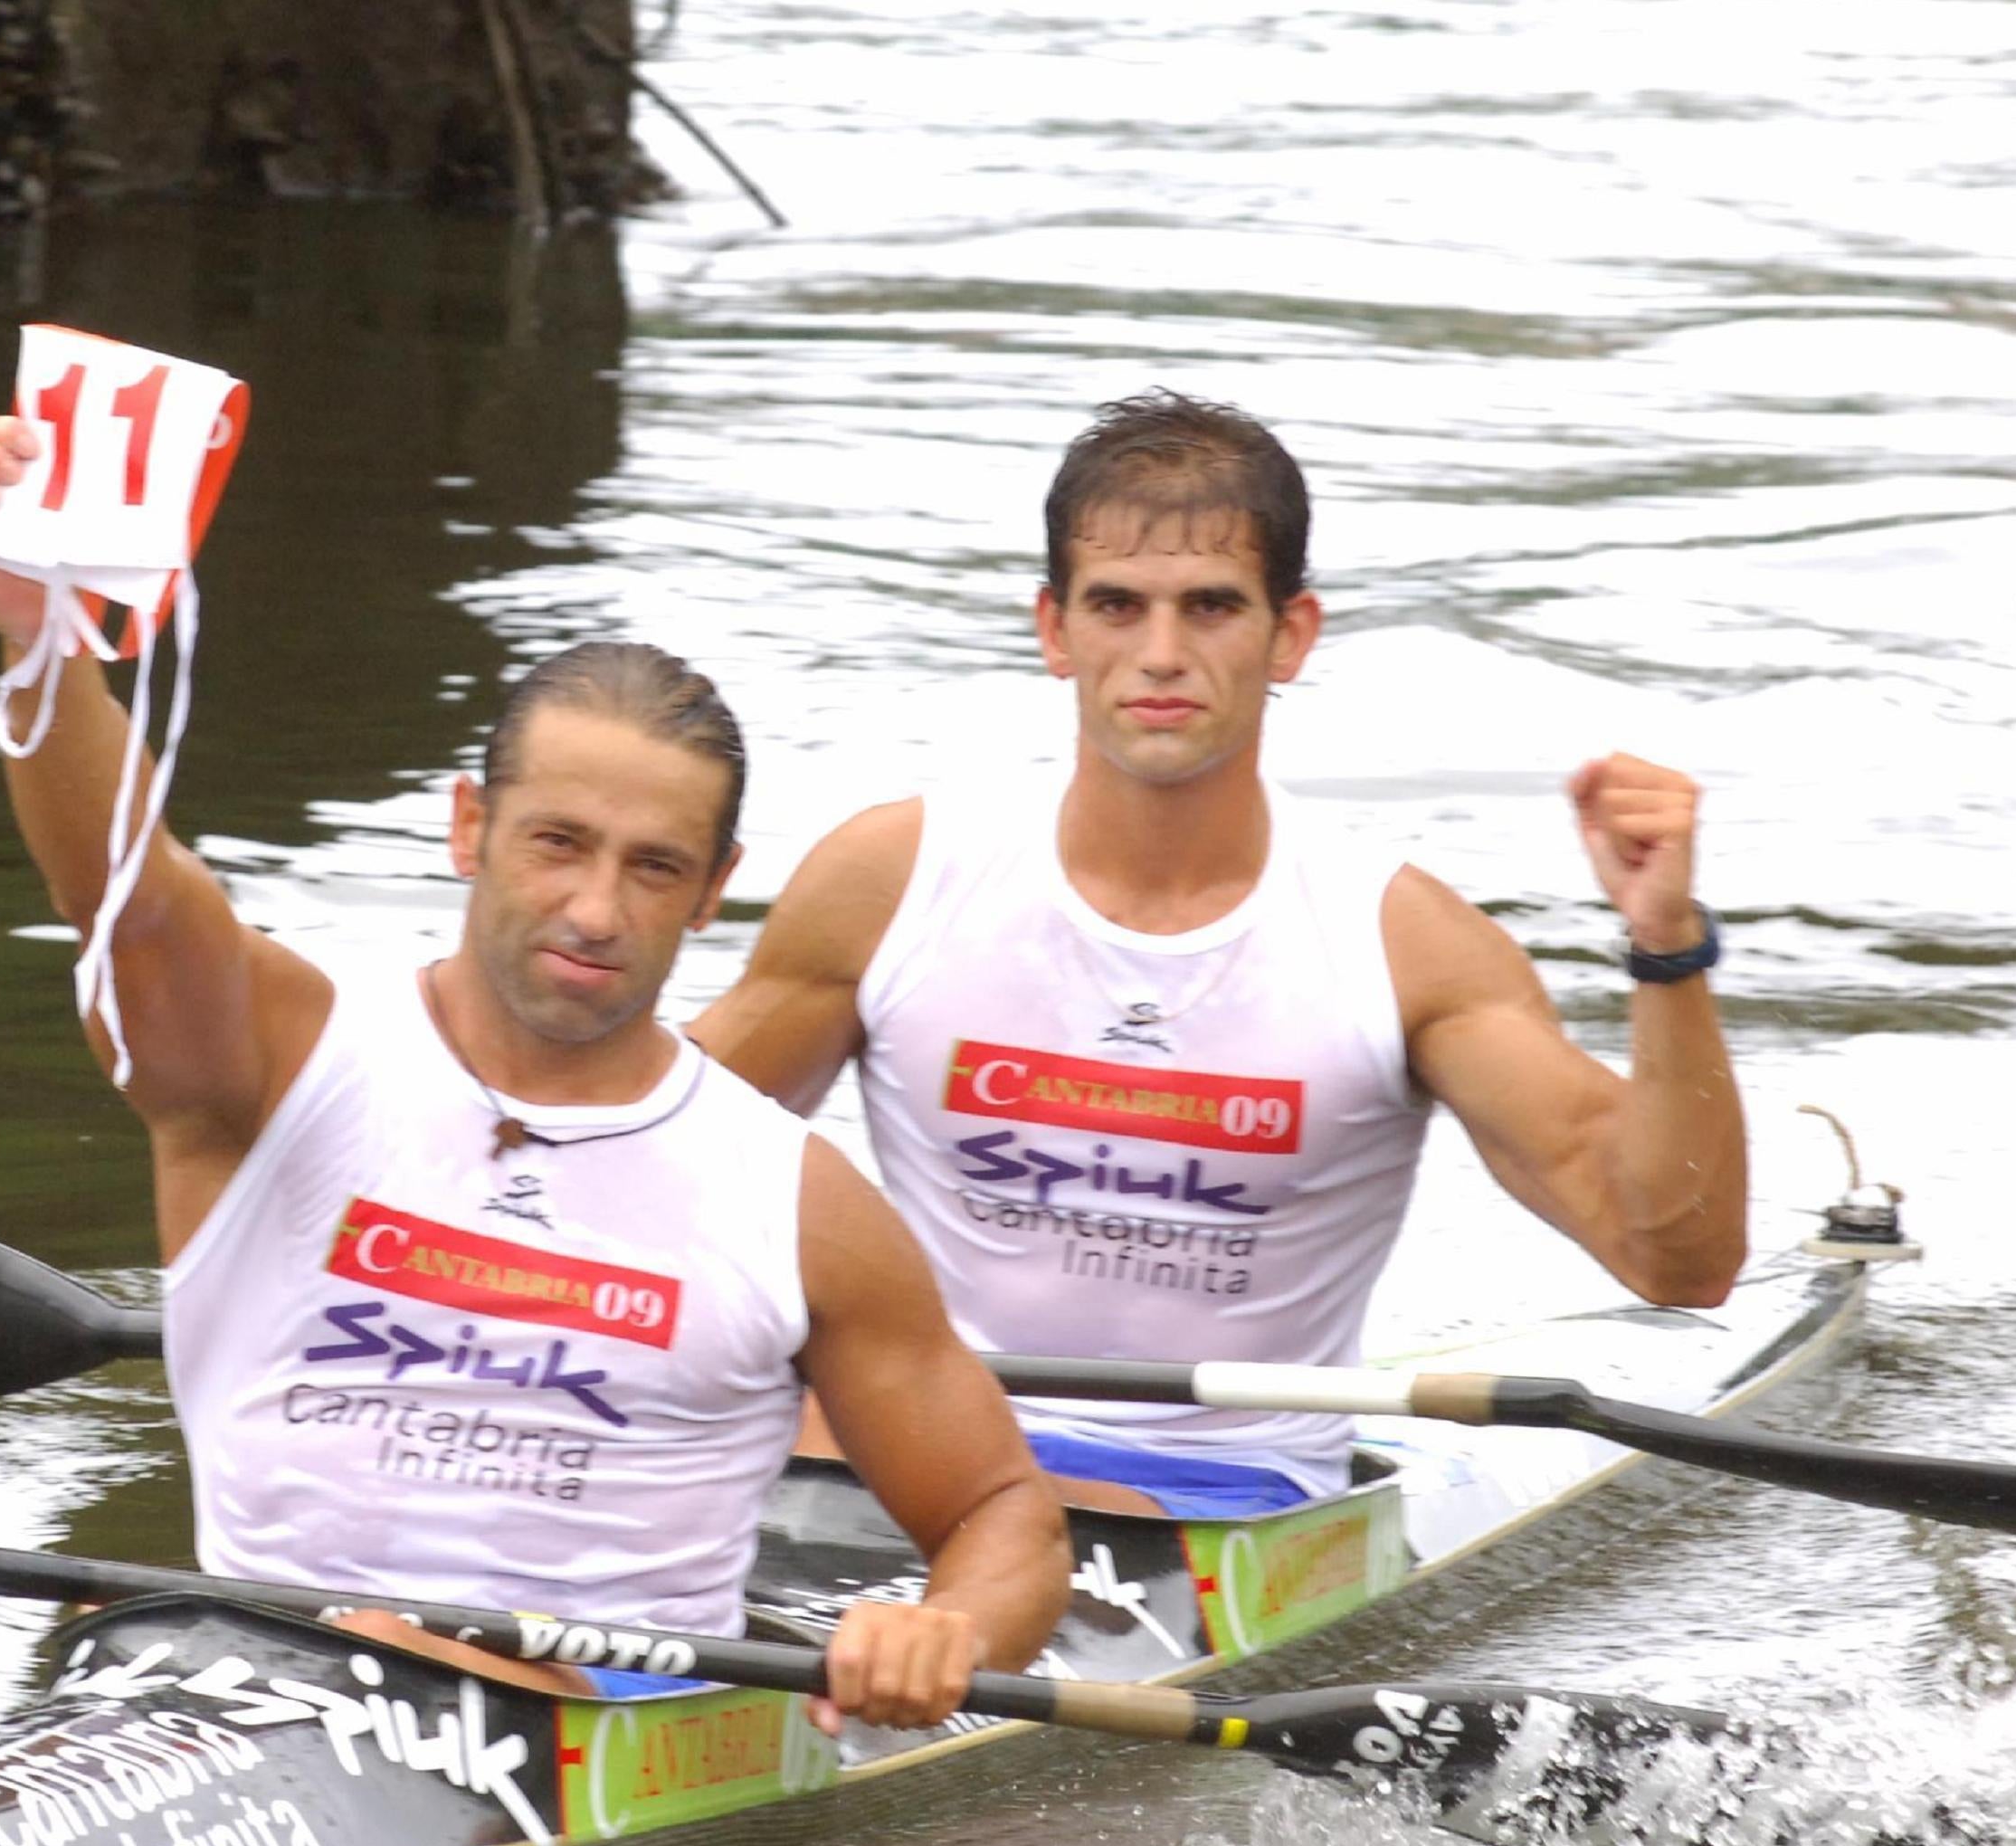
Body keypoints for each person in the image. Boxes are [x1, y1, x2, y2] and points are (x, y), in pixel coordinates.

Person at [0, 414, 1064, 1730]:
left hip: (603, 1724)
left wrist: (946, 1627)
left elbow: (1004, 1515)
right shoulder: (281, 1062)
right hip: (247, 1676)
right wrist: (41, 654)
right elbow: (132, 898)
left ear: (713, 892)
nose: (595, 910)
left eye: (654, 869)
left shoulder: (797, 1204)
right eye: (556, 844)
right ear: (469, 827)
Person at [689, 389, 1747, 1516]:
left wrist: (1666, 948)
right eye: (1117, 606)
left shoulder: (1407, 948)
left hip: (1214, 1495)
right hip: (899, 1452)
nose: (1160, 655)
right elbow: (630, 1161)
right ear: (1055, 630)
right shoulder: (891, 882)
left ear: (1290, 635)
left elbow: (1676, 1260)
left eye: (1210, 608)